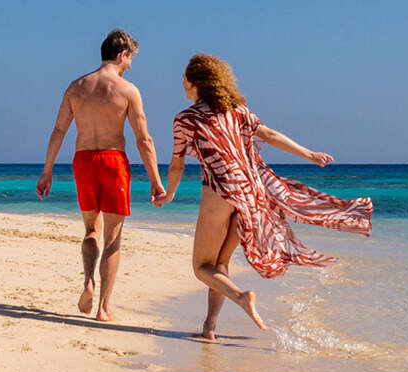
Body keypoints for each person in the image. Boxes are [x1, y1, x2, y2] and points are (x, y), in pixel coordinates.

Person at [153, 53, 372, 340]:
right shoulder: (239, 111)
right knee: (219, 264)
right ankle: (209, 328)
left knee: (201, 267)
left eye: (184, 77)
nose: (181, 82)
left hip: (220, 191)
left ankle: (242, 298)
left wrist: (168, 194)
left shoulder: (186, 119)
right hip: (251, 192)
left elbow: (177, 163)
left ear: (196, 82)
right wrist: (309, 154)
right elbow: (269, 135)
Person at [36, 29, 164, 323]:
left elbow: (58, 131)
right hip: (112, 160)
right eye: (131, 58)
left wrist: (47, 171)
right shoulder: (127, 90)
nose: (131, 64)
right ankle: (103, 308)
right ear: (123, 55)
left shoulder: (75, 87)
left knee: (91, 231)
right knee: (113, 238)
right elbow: (144, 140)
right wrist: (156, 180)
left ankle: (87, 283)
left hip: (83, 161)